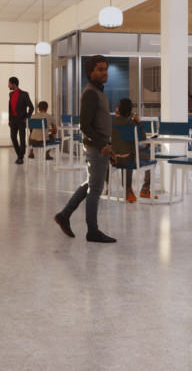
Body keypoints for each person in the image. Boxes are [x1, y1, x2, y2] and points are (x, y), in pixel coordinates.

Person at [54, 55, 116, 243]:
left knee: (91, 184)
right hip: (96, 149)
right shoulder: (91, 93)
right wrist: (102, 144)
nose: (104, 72)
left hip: (100, 147)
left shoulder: (98, 91)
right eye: (100, 69)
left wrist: (108, 145)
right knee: (95, 189)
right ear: (90, 73)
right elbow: (84, 125)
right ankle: (92, 231)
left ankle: (64, 215)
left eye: (105, 68)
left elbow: (97, 124)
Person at [111, 98, 153, 202]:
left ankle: (128, 189)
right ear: (129, 112)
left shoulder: (111, 123)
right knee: (150, 157)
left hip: (113, 157)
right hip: (128, 157)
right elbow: (142, 137)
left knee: (127, 153)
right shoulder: (131, 123)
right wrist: (138, 122)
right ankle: (145, 188)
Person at [6, 76, 34, 164]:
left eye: (9, 84)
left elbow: (31, 107)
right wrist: (10, 120)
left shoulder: (24, 94)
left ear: (13, 84)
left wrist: (27, 118)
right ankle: (20, 155)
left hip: (21, 120)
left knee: (22, 139)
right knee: (13, 137)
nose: (8, 86)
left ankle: (20, 157)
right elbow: (10, 109)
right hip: (13, 120)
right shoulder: (10, 94)